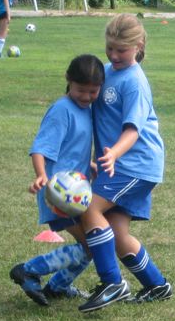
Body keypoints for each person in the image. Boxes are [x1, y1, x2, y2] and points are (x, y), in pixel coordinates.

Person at [77, 14, 172, 313]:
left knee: (88, 208)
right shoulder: (108, 72)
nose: (114, 55)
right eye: (110, 49)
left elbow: (133, 130)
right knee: (117, 233)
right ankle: (157, 285)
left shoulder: (134, 82)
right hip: (117, 164)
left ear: (139, 45)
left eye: (121, 50)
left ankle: (112, 283)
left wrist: (114, 153)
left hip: (135, 164)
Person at [9, 55, 105, 306]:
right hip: (58, 194)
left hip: (76, 192)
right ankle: (29, 270)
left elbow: (72, 148)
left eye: (93, 92)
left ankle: (58, 286)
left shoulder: (86, 109)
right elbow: (40, 148)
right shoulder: (62, 110)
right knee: (91, 245)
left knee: (91, 246)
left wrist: (89, 165)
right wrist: (42, 175)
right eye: (80, 90)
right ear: (68, 81)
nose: (86, 97)